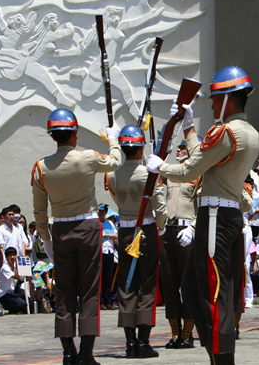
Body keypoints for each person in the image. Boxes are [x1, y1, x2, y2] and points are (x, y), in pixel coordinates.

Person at [146, 66, 259, 365]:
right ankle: (215, 350)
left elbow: (190, 169)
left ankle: (221, 358)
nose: (211, 104)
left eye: (214, 99)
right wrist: (188, 126)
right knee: (192, 288)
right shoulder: (247, 132)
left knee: (213, 292)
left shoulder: (225, 132)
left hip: (215, 216)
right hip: (225, 214)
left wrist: (161, 168)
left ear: (227, 100)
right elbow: (204, 157)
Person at [32, 108, 123, 365]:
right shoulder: (86, 157)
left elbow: (39, 210)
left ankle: (68, 352)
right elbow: (115, 162)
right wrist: (113, 138)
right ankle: (86, 353)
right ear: (75, 134)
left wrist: (46, 239)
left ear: (52, 136)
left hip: (60, 230)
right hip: (87, 227)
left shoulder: (40, 167)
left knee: (64, 293)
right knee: (90, 292)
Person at [105, 125, 167, 359]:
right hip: (147, 230)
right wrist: (161, 227)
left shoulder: (112, 175)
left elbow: (115, 198)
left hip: (125, 231)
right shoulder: (150, 175)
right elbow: (159, 207)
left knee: (127, 283)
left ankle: (130, 342)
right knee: (147, 285)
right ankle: (143, 341)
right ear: (141, 149)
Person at [158, 138, 199, 350]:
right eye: (179, 147)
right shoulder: (172, 173)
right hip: (168, 229)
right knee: (170, 283)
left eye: (184, 147)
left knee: (188, 284)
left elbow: (203, 207)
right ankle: (175, 331)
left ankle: (188, 332)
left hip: (186, 231)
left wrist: (192, 228)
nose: (180, 150)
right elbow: (155, 178)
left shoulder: (199, 175)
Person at [0, 247, 31, 314]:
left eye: (13, 255)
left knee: (30, 301)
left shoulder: (15, 267)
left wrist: (26, 264)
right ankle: (6, 307)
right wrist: (18, 263)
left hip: (11, 293)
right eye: (10, 256)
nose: (12, 257)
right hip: (3, 294)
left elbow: (27, 279)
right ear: (6, 257)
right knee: (22, 304)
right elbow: (16, 277)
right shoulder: (5, 267)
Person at [98, 204, 117, 311]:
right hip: (100, 252)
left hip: (109, 252)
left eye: (103, 212)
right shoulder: (96, 223)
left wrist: (105, 235)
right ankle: (101, 302)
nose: (102, 214)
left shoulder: (109, 223)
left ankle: (108, 301)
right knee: (101, 277)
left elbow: (116, 235)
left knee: (108, 278)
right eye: (100, 212)